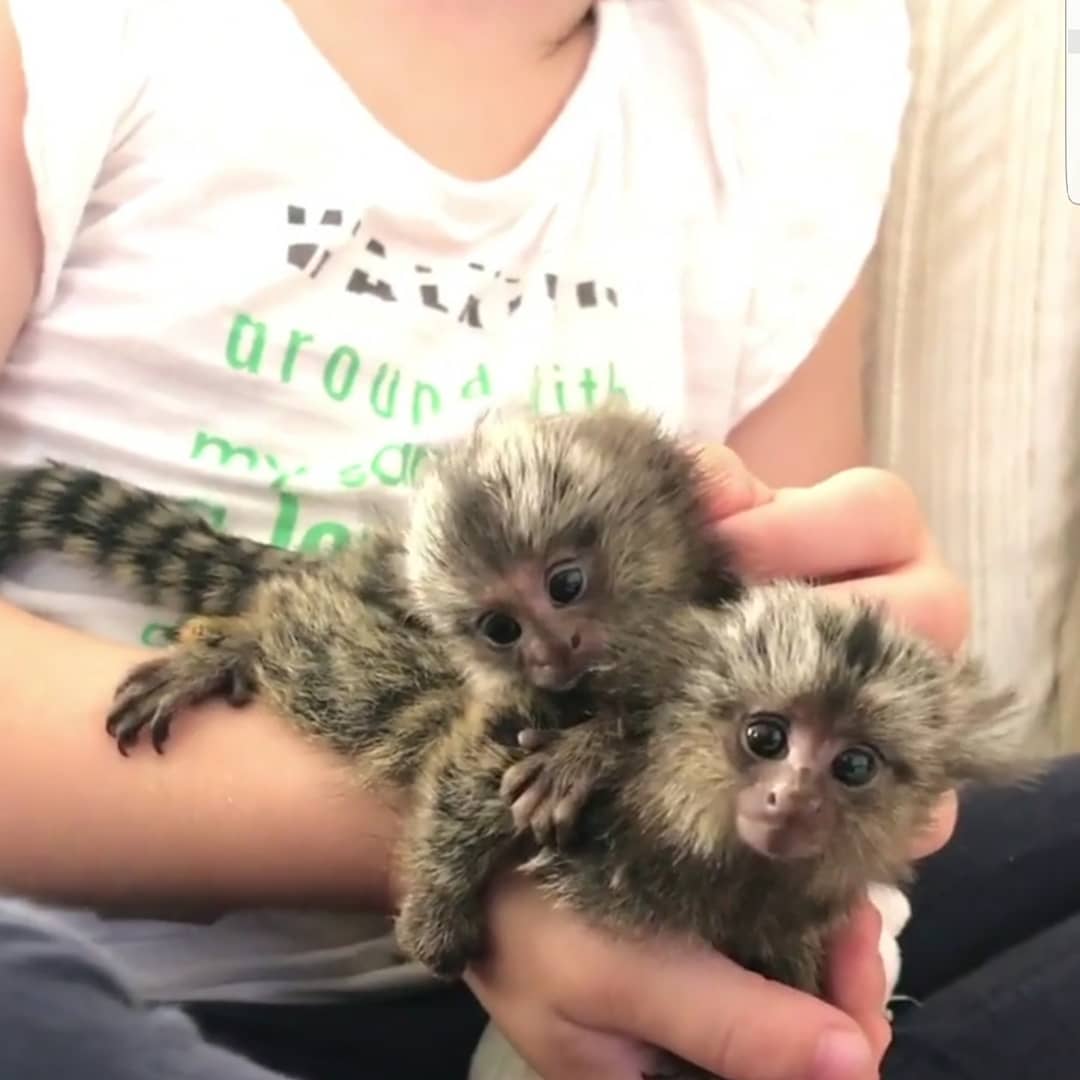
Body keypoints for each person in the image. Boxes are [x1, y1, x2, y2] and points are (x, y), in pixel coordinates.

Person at [0, 0, 997, 1077]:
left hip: (638, 921)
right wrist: (505, 850)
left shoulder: (781, 56)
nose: (554, 643)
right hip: (139, 986)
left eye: (568, 586)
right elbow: (498, 755)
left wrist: (863, 692)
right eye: (505, 625)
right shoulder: (77, 36)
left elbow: (781, 624)